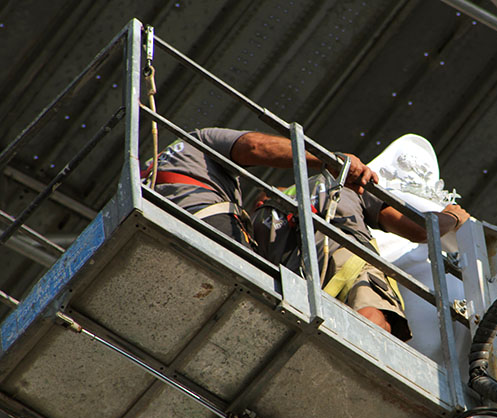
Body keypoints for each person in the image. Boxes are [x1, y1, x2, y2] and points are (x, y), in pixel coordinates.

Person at [252, 134, 470, 341]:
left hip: (292, 288)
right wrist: (453, 217)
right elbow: (420, 229)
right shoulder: (351, 187)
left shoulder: (266, 210)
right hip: (348, 267)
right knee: (370, 320)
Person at [143, 127, 378, 247]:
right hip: (207, 228)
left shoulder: (144, 173)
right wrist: (325, 161)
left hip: (151, 237)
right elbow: (254, 146)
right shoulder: (200, 139)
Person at [368, 134, 472, 360]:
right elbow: (423, 229)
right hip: (400, 298)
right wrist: (453, 218)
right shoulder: (385, 197)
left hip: (444, 324)